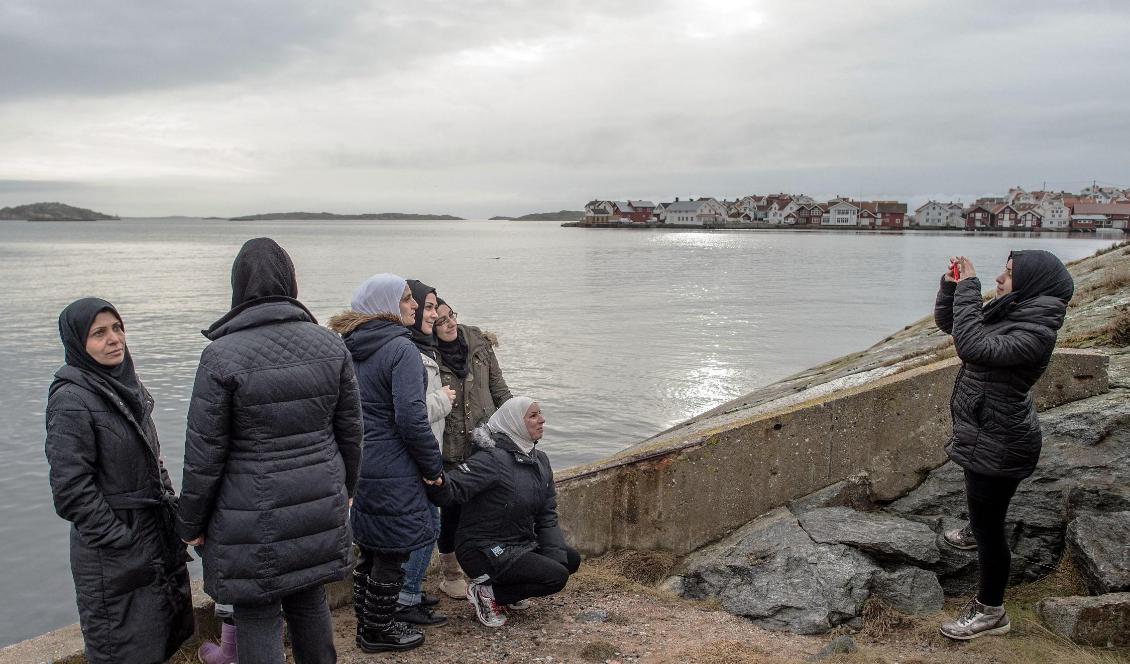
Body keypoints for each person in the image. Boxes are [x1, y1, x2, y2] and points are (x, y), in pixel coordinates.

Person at [177, 238, 363, 664]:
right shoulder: (330, 345)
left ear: (237, 287)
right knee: (309, 599)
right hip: (318, 502)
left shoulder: (220, 356)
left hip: (248, 515)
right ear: (290, 281)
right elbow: (352, 433)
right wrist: (346, 490)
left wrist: (190, 522)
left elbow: (204, 454)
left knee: (257, 612)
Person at [933, 250, 1074, 641]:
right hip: (989, 431)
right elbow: (955, 325)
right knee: (983, 513)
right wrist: (952, 286)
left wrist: (970, 286)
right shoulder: (1016, 312)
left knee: (990, 530)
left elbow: (973, 347)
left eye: (1008, 275)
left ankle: (991, 611)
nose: (999, 279)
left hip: (1001, 441)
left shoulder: (1036, 332)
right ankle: (976, 530)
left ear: (1030, 284)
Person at [45, 298, 194, 664]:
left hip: (152, 537)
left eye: (117, 328)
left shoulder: (128, 387)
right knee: (120, 649)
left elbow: (152, 459)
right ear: (78, 343)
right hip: (112, 555)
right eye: (99, 333)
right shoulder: (71, 400)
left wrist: (171, 507)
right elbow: (71, 491)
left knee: (157, 641)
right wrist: (121, 540)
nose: (114, 339)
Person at [327, 273, 445, 652]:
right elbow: (411, 418)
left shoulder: (349, 347)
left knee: (373, 549)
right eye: (407, 299)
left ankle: (368, 625)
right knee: (392, 553)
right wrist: (433, 469)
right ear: (386, 305)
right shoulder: (401, 350)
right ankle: (379, 630)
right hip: (396, 464)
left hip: (361, 463)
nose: (414, 305)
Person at [428, 397, 580, 628]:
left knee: (568, 561)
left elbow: (547, 515)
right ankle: (486, 593)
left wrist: (555, 559)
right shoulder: (492, 459)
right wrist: (437, 482)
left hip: (520, 542)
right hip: (483, 549)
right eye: (533, 415)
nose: (542, 419)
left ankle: (509, 591)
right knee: (556, 577)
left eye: (540, 413)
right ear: (514, 423)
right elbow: (453, 487)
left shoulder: (540, 460)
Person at [433, 298, 513, 598]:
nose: (449, 323)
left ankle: (485, 565)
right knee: (451, 510)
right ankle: (451, 573)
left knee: (489, 508)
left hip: (487, 439)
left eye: (450, 315)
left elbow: (499, 388)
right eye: (440, 320)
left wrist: (517, 422)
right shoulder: (427, 354)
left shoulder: (478, 341)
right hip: (451, 444)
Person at [394, 279, 453, 626]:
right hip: (416, 458)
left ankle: (410, 592)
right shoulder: (408, 352)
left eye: (433, 307)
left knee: (429, 524)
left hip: (426, 453)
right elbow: (406, 412)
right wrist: (443, 401)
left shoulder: (423, 348)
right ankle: (405, 598)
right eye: (426, 306)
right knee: (427, 525)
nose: (429, 313)